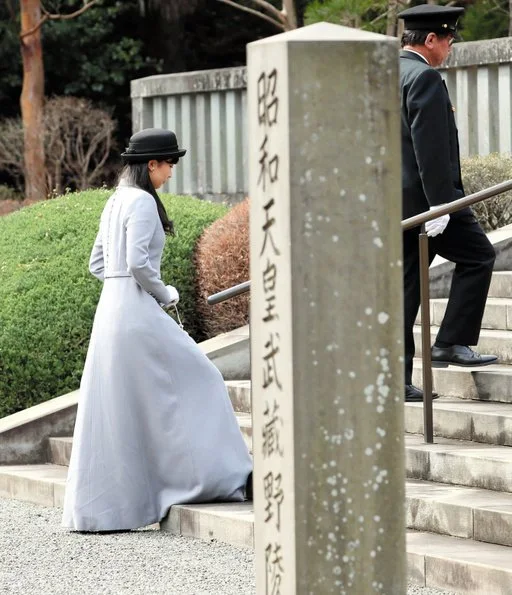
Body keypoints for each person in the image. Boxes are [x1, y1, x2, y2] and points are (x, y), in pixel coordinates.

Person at [62, 128, 252, 532]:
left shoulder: (115, 201)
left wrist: (120, 287)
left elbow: (99, 263)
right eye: (169, 164)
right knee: (204, 377)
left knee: (124, 405)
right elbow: (137, 263)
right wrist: (166, 293)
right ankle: (216, 474)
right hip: (136, 310)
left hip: (110, 311)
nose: (170, 172)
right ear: (152, 165)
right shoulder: (144, 203)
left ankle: (114, 506)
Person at [398, 4, 497, 403]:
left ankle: (396, 379)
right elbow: (432, 150)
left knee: (405, 290)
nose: (452, 46)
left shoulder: (386, 74)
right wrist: (442, 208)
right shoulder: (423, 77)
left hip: (397, 206)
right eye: (450, 39)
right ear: (431, 39)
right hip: (430, 205)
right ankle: (451, 341)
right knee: (479, 256)